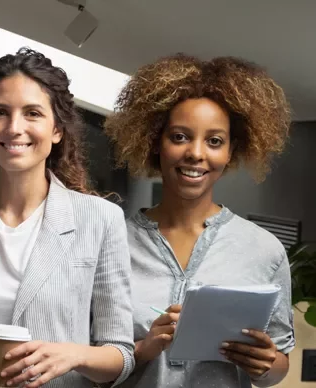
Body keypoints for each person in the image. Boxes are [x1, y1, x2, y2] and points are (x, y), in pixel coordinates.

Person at [104, 54, 295, 388]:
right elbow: (88, 365)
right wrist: (143, 350)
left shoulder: (264, 250)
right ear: (155, 142)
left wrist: (265, 363)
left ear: (231, 151)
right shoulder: (113, 240)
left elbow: (278, 368)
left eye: (214, 141)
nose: (196, 153)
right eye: (179, 137)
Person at [0, 48, 135, 388]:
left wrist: (73, 355)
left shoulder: (101, 220)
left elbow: (122, 355)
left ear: (57, 130)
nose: (14, 127)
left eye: (33, 113)